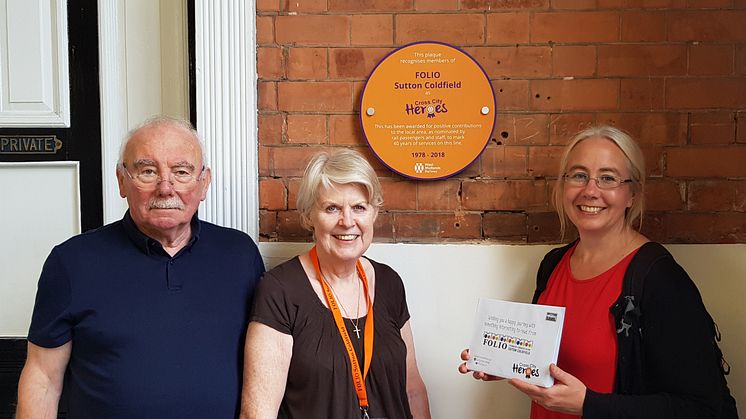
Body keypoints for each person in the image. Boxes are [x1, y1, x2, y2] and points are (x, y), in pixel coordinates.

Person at [459, 125, 738, 418]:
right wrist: (507, 361)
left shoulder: (659, 279)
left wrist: (588, 405)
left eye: (608, 178)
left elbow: (702, 408)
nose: (590, 191)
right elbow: (549, 360)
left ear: (632, 194)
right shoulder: (553, 264)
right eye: (579, 175)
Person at [16, 116, 265, 418]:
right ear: (122, 181)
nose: (165, 187)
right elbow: (42, 378)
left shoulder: (240, 256)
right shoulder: (71, 262)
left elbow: (263, 369)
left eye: (181, 172)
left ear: (204, 183)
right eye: (147, 171)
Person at [241, 149, 431, 419]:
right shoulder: (279, 290)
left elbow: (412, 390)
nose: (347, 221)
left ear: (374, 213)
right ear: (309, 217)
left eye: (358, 207)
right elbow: (258, 414)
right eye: (332, 208)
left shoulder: (389, 282)